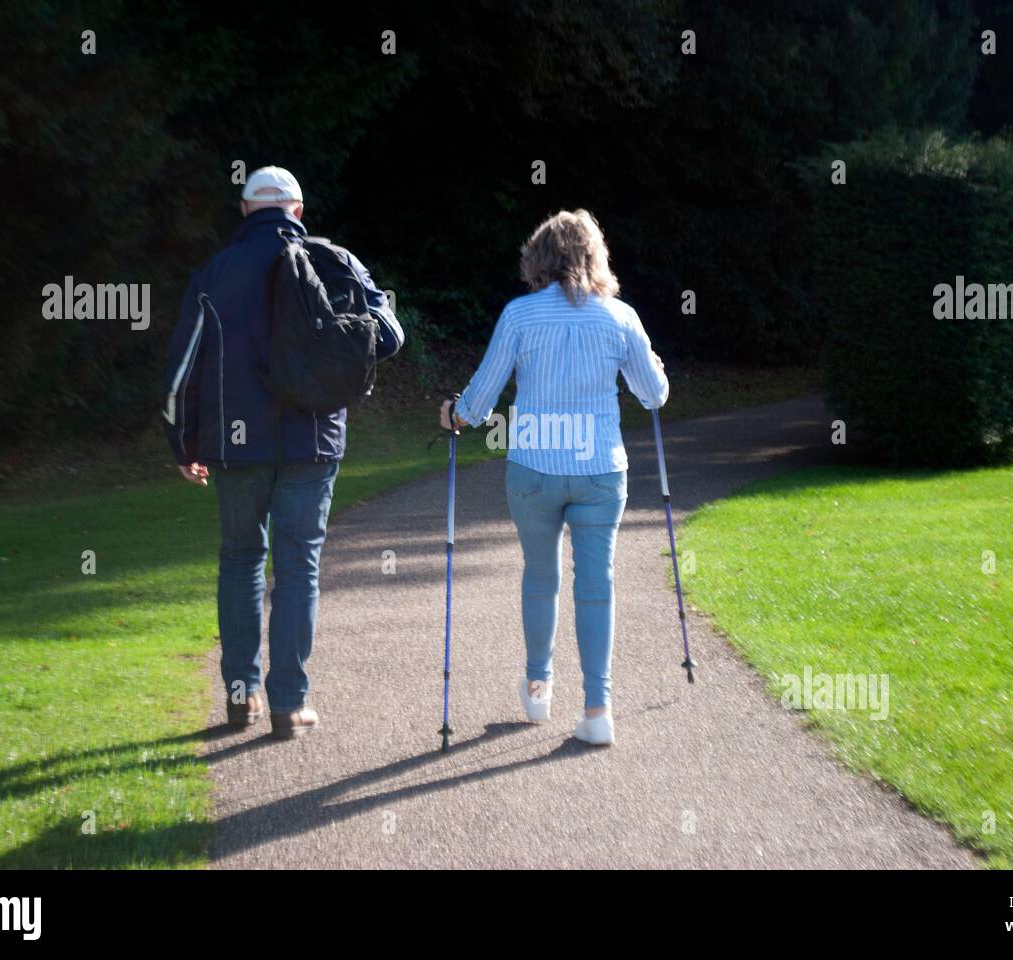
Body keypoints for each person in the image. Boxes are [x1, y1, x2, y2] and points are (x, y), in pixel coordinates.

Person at [162, 166, 403, 739]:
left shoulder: (213, 273)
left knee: (241, 559)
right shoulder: (335, 260)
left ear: (246, 211)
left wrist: (183, 442)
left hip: (233, 447)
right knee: (298, 567)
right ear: (297, 209)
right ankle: (289, 706)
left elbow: (180, 374)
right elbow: (390, 334)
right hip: (313, 440)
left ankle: (240, 699)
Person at [441, 209, 668, 746]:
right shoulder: (621, 317)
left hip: (534, 471)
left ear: (538, 259)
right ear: (595, 257)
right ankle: (597, 709)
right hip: (600, 472)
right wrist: (652, 362)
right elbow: (653, 395)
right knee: (597, 586)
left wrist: (454, 413)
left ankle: (539, 689)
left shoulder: (519, 315)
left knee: (540, 576)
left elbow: (480, 396)